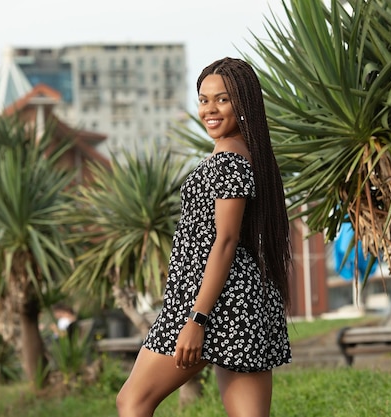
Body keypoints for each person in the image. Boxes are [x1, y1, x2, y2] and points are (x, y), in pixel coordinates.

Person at [116, 57, 292, 417]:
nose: (210, 109)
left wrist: (197, 320)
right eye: (203, 99)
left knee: (132, 401)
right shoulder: (247, 154)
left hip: (212, 304)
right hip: (240, 301)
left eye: (222, 99)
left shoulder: (228, 160)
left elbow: (224, 242)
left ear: (243, 103)